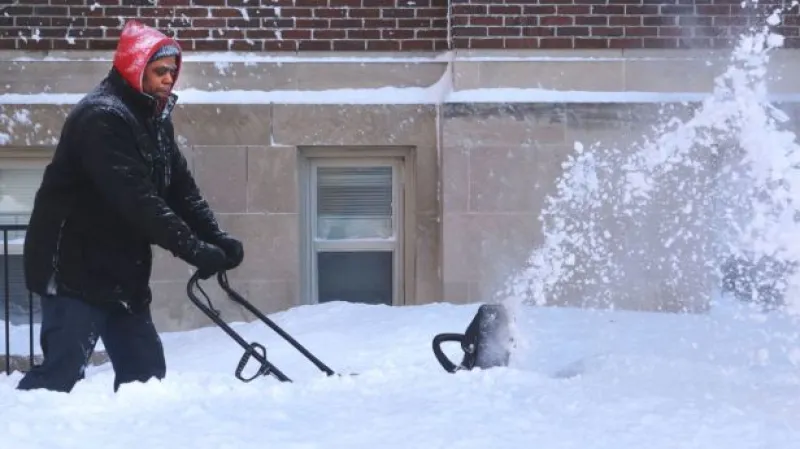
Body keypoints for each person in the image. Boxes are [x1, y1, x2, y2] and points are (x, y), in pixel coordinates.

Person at [16, 20, 243, 393]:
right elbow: (137, 200)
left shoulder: (154, 120)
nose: (169, 79)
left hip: (122, 269)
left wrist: (215, 237)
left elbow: (181, 190)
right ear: (135, 69)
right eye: (160, 71)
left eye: (172, 70)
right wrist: (193, 249)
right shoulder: (101, 118)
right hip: (72, 268)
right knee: (59, 376)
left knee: (146, 377)